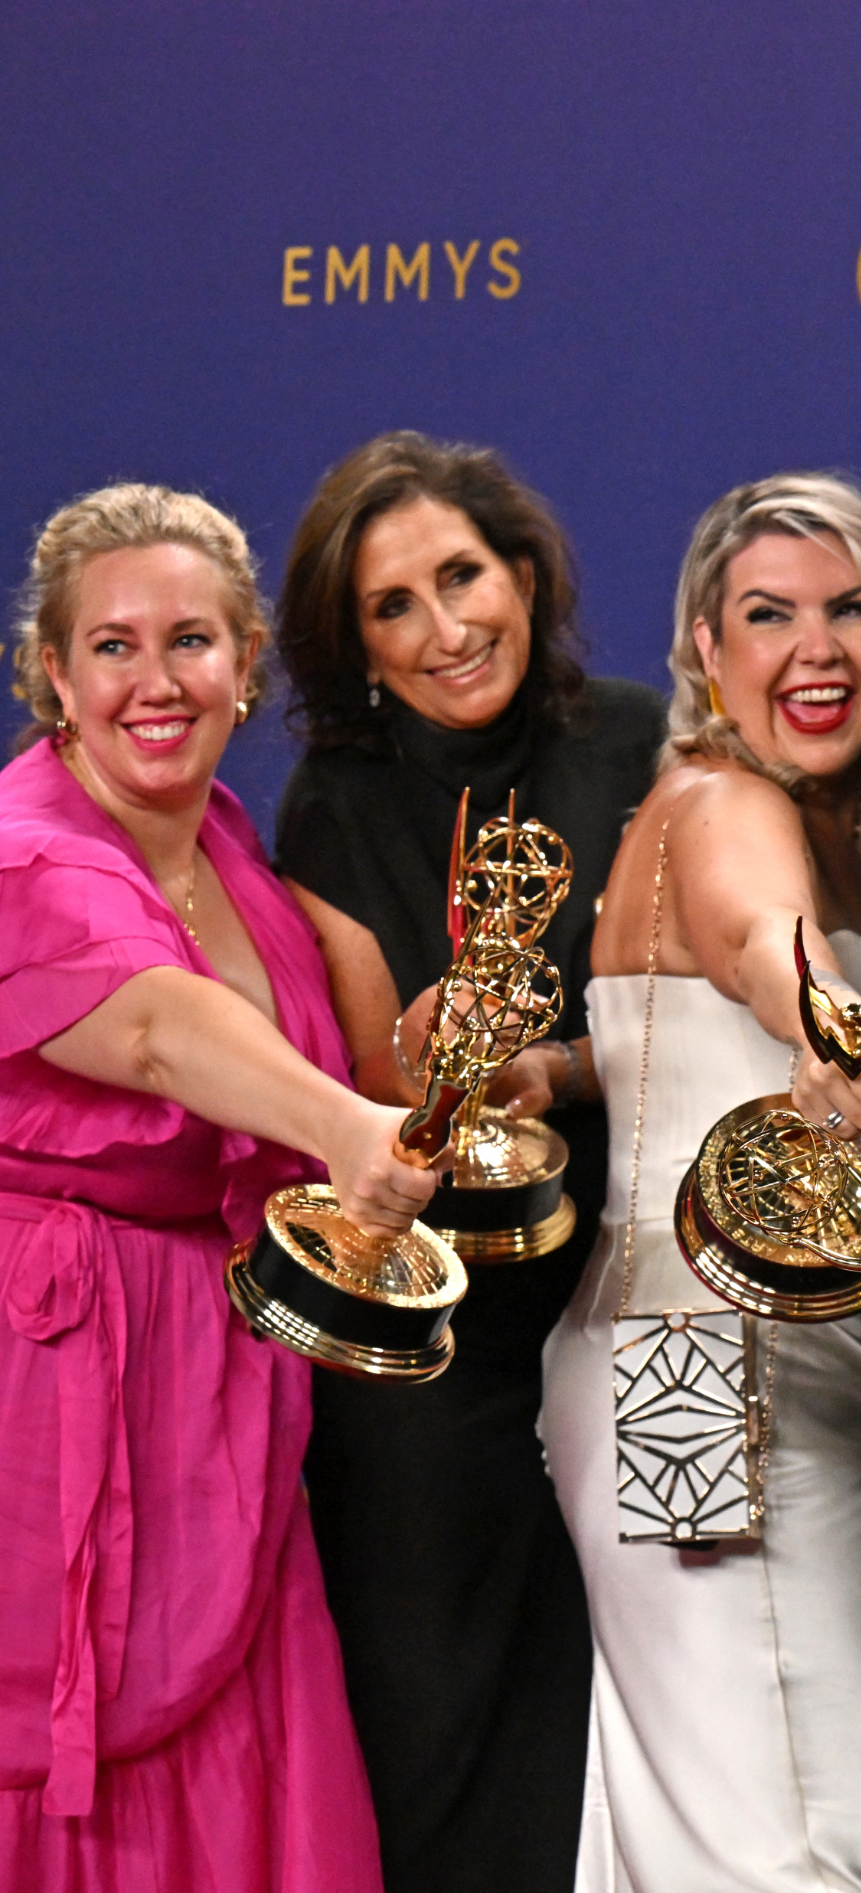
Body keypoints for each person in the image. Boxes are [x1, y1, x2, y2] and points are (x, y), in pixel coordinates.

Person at [544, 473, 861, 1892]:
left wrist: (556, 1074)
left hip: (849, 1405)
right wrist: (831, 1023)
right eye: (769, 615)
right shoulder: (719, 797)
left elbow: (655, 1024)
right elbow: (761, 944)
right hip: (694, 1368)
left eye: (847, 609)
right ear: (704, 649)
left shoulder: (854, 838)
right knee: (788, 1838)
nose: (813, 647)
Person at [2, 484, 439, 1888]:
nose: (156, 680)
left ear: (249, 662)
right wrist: (348, 1121)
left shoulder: (239, 853)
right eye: (111, 646)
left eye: (190, 640)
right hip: (58, 1401)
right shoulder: (26, 851)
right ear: (52, 677)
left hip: (226, 1413)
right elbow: (152, 1028)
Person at [271, 431, 670, 1893]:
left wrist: (548, 1068)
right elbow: (375, 1095)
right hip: (439, 1353)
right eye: (395, 606)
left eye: (463, 574)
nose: (446, 629)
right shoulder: (333, 802)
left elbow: (689, 1023)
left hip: (634, 1304)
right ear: (354, 645)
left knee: (644, 1737)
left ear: (524, 573)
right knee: (440, 1753)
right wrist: (436, 1079)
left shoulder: (640, 741)